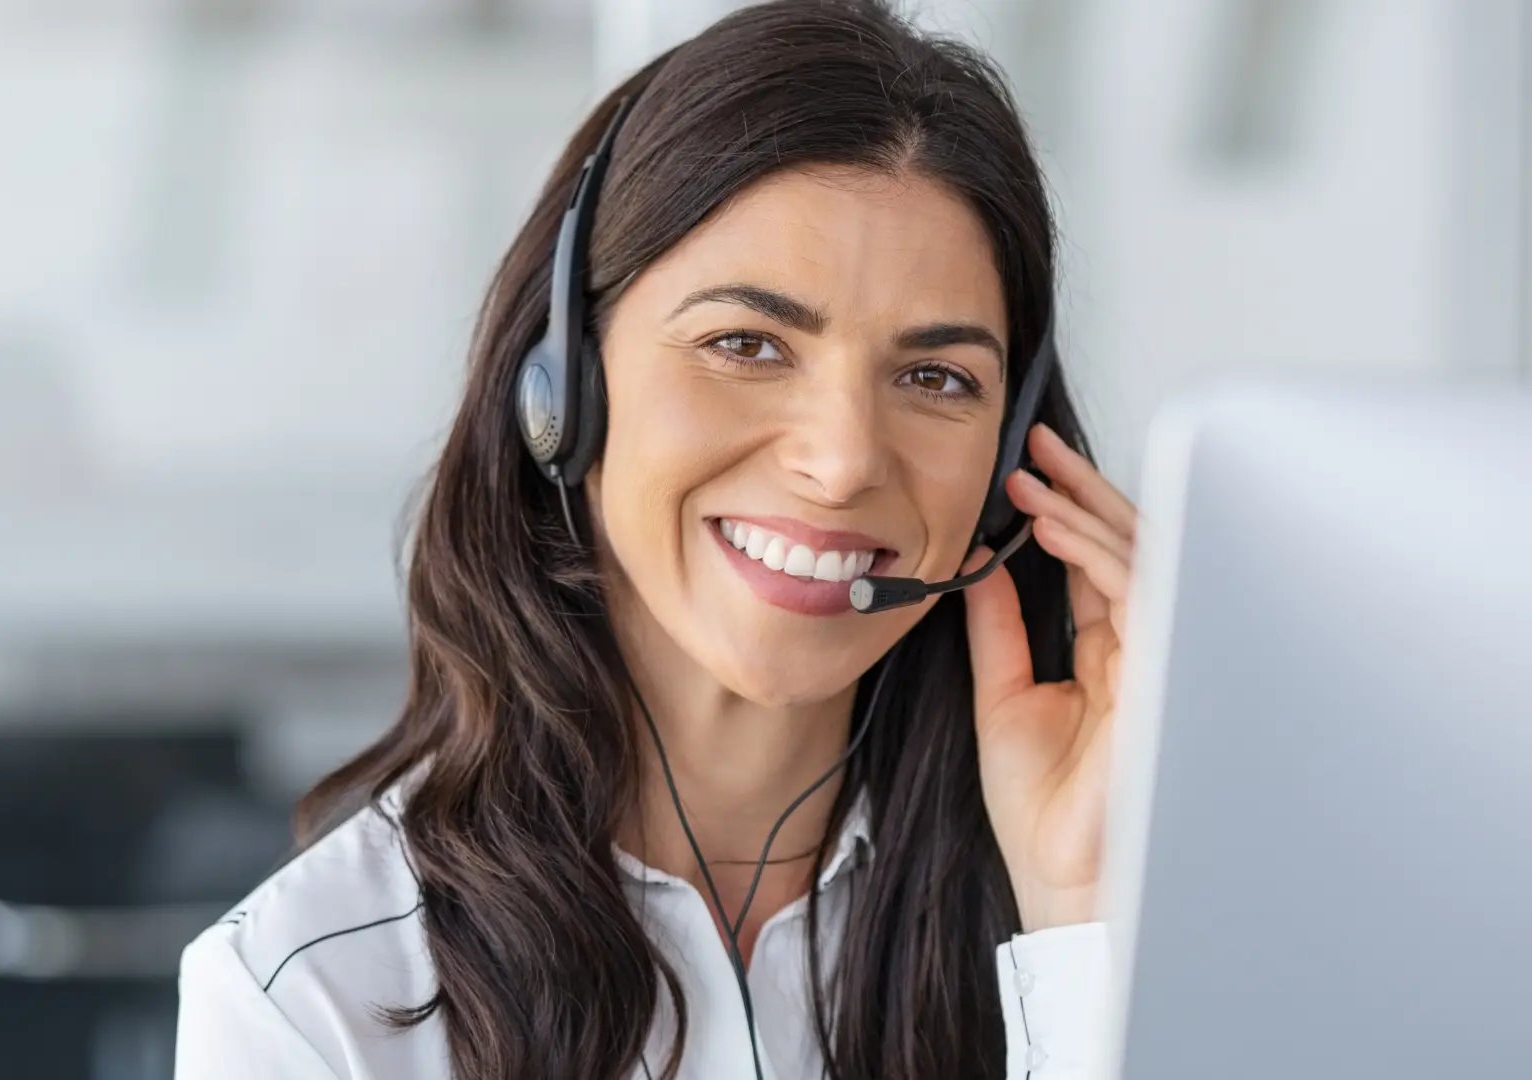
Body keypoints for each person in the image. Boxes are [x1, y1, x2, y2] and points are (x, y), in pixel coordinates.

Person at [177, 2, 1136, 1076]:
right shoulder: (315, 1000)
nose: (843, 459)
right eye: (746, 343)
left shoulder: (1103, 920)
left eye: (934, 377)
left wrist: (1081, 926)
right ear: (564, 389)